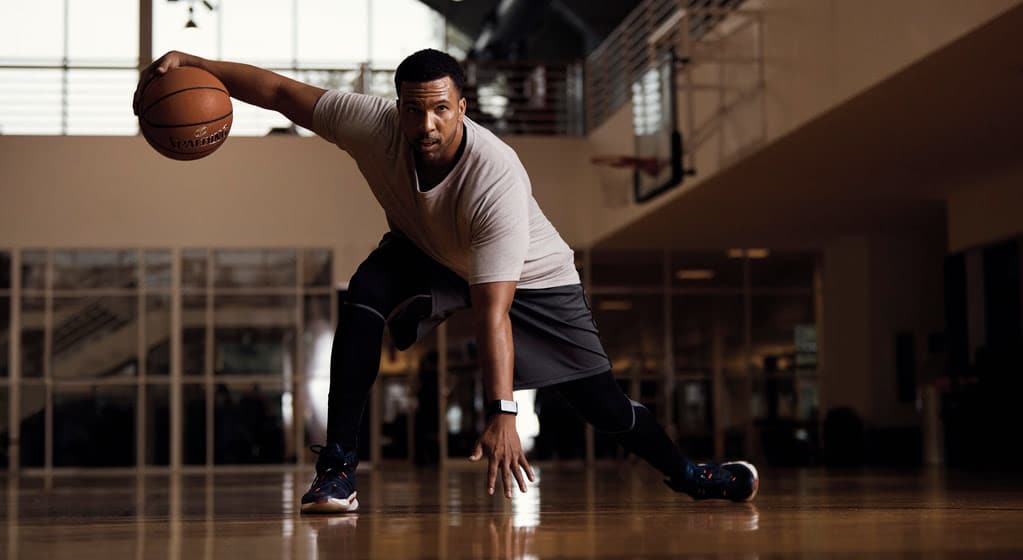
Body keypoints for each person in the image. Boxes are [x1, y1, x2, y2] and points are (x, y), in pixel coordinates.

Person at [133, 49, 759, 513]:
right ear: (397, 108)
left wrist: (504, 412)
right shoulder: (371, 124)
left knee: (602, 406)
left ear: (463, 108)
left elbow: (494, 315)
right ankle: (338, 470)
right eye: (414, 110)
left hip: (534, 282)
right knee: (362, 302)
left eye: (440, 109)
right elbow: (275, 91)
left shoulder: (496, 180)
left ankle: (689, 475)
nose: (426, 125)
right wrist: (197, 63)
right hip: (425, 250)